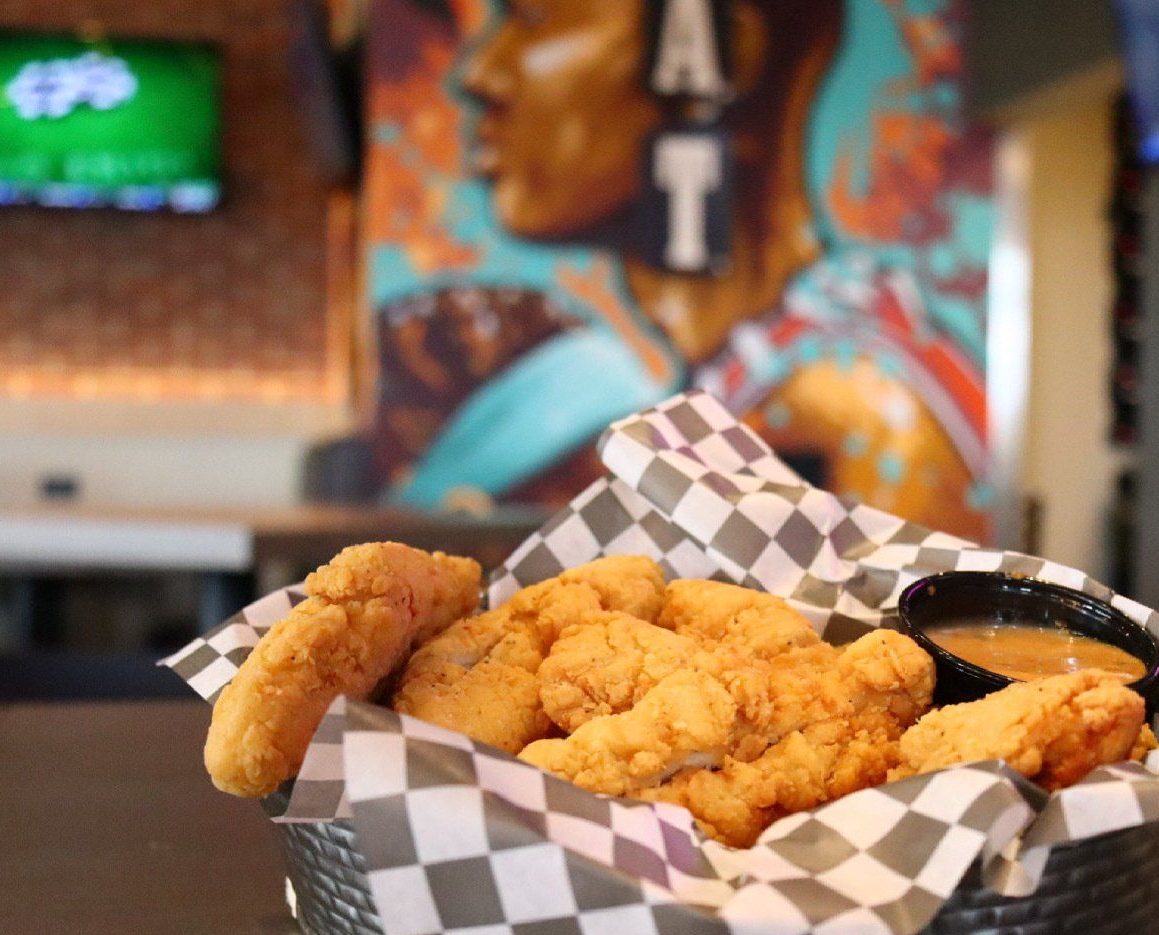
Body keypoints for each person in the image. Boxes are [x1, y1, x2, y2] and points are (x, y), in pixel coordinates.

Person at [391, 0, 990, 537]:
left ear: (725, 51)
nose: (477, 74)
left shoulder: (846, 402)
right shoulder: (710, 376)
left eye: (530, 18)